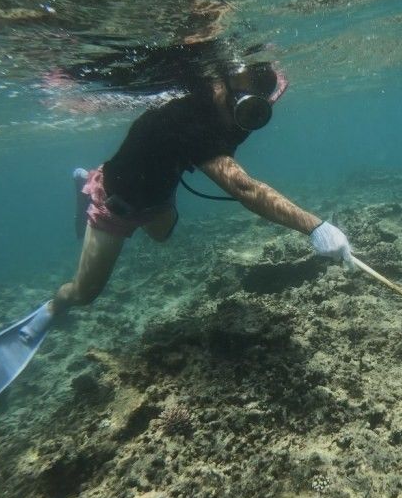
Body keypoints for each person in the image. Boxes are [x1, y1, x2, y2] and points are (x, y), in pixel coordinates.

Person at [19, 57, 353, 341]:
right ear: (219, 82)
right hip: (118, 203)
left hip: (159, 194)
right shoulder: (190, 118)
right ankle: (53, 306)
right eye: (238, 97)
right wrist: (316, 227)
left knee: (162, 234)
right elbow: (245, 189)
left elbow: (271, 85)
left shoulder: (240, 107)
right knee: (85, 293)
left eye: (254, 106)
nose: (244, 113)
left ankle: (91, 179)